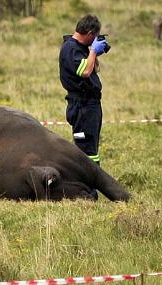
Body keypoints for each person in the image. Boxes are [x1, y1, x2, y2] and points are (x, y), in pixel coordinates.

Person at [59, 15, 109, 198]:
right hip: (82, 107)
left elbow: (93, 68)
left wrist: (94, 52)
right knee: (85, 151)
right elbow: (85, 71)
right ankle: (87, 193)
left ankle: (89, 189)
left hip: (91, 105)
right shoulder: (70, 49)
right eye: (94, 37)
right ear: (89, 34)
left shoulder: (81, 48)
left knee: (91, 147)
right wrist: (93, 51)